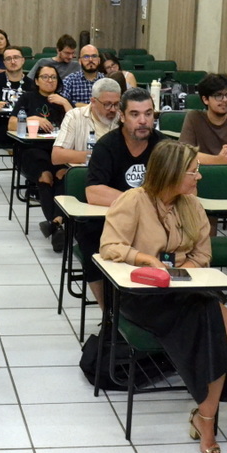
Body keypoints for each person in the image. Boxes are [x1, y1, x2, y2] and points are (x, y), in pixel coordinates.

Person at [99, 140, 227, 453]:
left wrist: (184, 272)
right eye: (193, 171)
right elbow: (110, 247)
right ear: (170, 174)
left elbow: (202, 255)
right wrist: (146, 260)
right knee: (212, 316)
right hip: (143, 295)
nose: (199, 177)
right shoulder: (133, 201)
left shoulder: (192, 205)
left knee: (209, 317)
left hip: (185, 290)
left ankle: (207, 419)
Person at [79, 87, 167, 307]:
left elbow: (179, 186)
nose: (143, 121)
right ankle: (108, 311)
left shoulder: (163, 146)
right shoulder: (107, 146)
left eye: (148, 114)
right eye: (135, 115)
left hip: (157, 219)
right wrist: (138, 202)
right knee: (88, 236)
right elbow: (94, 191)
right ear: (122, 116)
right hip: (114, 219)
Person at [7, 64, 72, 249]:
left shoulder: (62, 101)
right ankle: (58, 223)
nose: (49, 80)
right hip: (31, 151)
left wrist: (66, 104)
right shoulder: (28, 98)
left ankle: (55, 224)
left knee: (63, 175)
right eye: (45, 77)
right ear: (36, 80)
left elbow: (76, 125)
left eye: (53, 77)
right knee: (46, 176)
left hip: (58, 151)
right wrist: (32, 119)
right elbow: (11, 124)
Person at [180, 73, 227, 165]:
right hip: (201, 174)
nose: (225, 100)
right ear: (205, 99)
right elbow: (185, 155)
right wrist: (219, 160)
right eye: (218, 96)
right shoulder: (194, 118)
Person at [51, 77, 122, 167]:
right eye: (107, 104)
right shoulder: (75, 116)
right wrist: (99, 156)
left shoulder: (122, 118)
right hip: (86, 174)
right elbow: (57, 156)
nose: (113, 109)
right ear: (93, 101)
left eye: (116, 104)